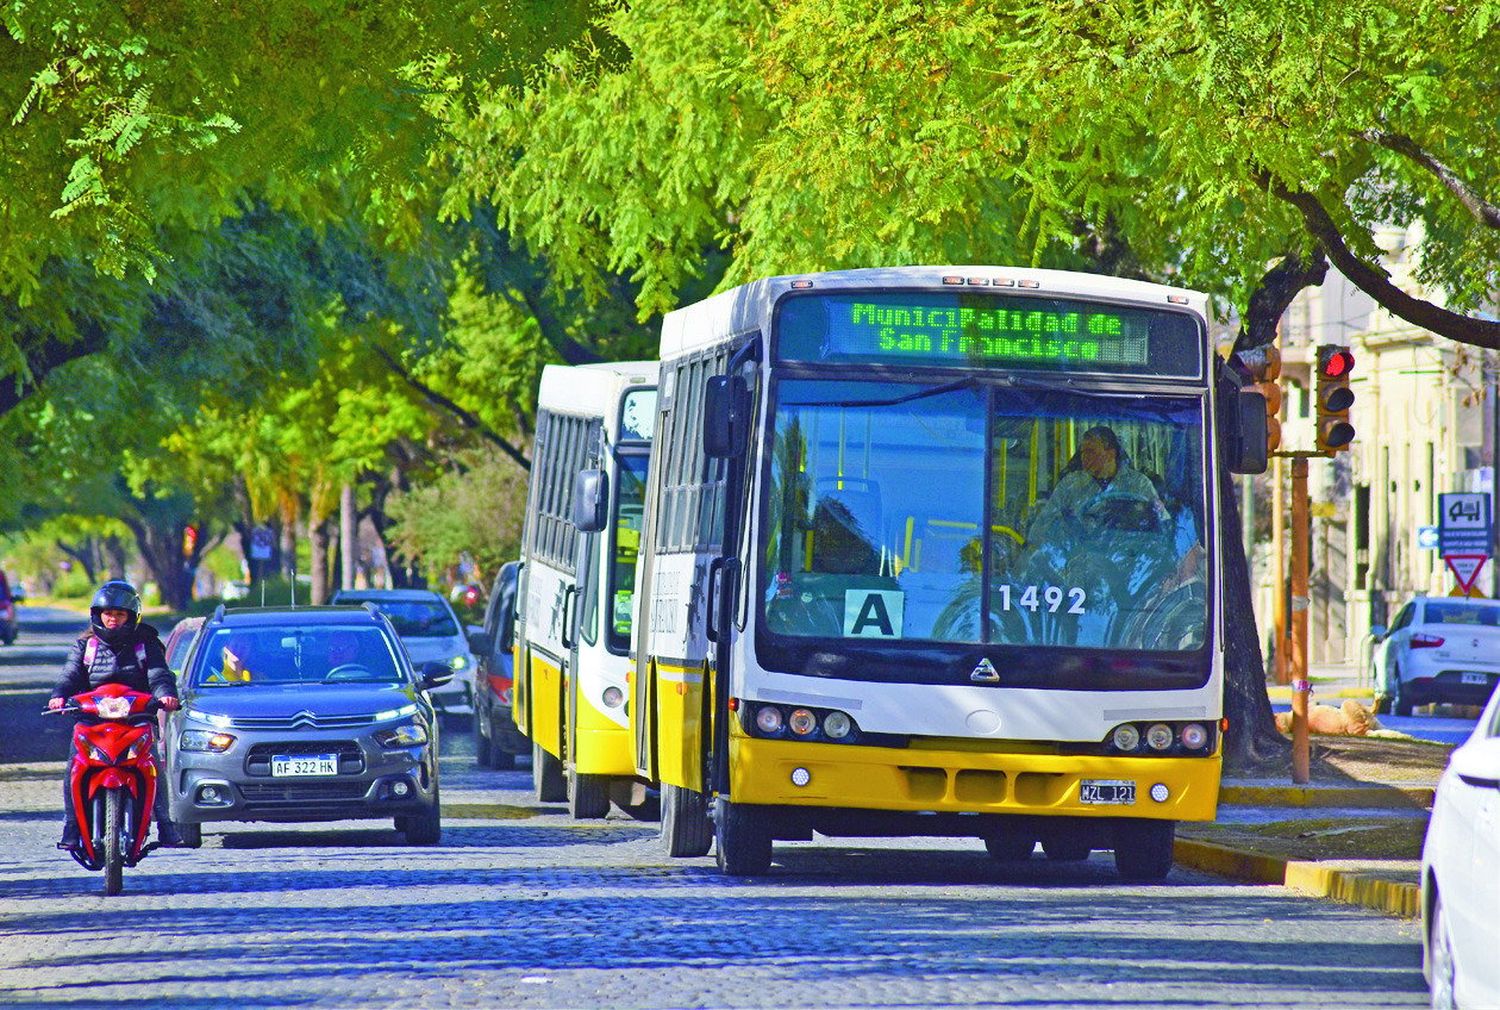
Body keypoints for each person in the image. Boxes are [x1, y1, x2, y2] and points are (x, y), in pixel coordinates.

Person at [48, 581, 185, 848]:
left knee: (152, 766)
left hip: (136, 719)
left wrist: (165, 695)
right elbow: (70, 675)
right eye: (107, 614)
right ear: (97, 615)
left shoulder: (147, 643)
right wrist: (59, 696)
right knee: (74, 766)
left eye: (120, 614)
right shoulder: (84, 647)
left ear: (132, 617)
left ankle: (166, 825)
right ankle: (72, 826)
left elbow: (158, 674)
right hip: (92, 720)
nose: (113, 619)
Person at [1025, 426, 1167, 544]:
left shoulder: (1139, 484)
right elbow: (1040, 529)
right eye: (1082, 452)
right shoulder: (1069, 485)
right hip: (1079, 562)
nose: (1084, 457)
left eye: (1091, 452)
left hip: (1127, 561)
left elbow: (1164, 526)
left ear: (1111, 453)